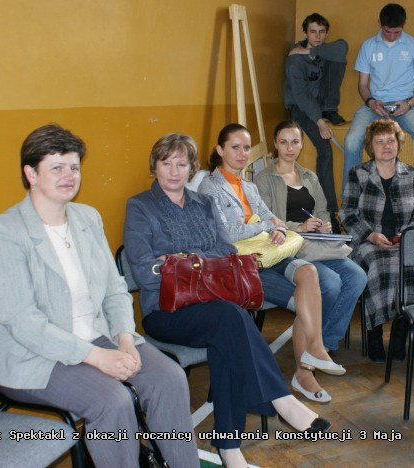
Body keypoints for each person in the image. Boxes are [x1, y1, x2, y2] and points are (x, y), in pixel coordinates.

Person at [0, 124, 199, 468]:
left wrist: (125, 338)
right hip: (33, 356)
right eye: (57, 167)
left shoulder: (87, 218)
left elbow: (114, 289)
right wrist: (97, 357)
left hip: (97, 337)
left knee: (169, 378)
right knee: (113, 401)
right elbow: (23, 322)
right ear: (31, 174)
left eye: (74, 167)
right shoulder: (3, 232)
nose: (69, 176)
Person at [123, 133, 331, 467]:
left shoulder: (203, 204)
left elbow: (227, 251)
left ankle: (229, 448)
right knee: (231, 317)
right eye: (166, 163)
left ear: (192, 168)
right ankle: (281, 399)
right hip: (165, 311)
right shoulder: (140, 207)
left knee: (227, 333)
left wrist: (181, 260)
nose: (174, 171)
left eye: (181, 164)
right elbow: (146, 274)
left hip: (213, 304)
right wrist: (202, 260)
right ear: (155, 166)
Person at [198, 124, 345, 405]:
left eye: (246, 148)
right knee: (306, 298)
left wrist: (275, 228)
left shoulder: (249, 186)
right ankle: (305, 373)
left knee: (309, 273)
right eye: (235, 147)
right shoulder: (210, 187)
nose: (242, 154)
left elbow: (273, 220)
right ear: (220, 150)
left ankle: (314, 350)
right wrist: (267, 226)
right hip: (240, 265)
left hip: (268, 255)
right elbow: (227, 234)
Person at [255, 120, 367, 352]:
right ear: (275, 144)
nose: (289, 148)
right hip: (288, 247)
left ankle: (324, 342)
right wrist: (300, 227)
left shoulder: (310, 176)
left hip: (316, 244)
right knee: (330, 283)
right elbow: (265, 221)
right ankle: (314, 344)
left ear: (302, 144)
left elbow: (323, 210)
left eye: (295, 142)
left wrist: (324, 225)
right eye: (283, 142)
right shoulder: (264, 178)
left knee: (357, 277)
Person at [339, 119, 414, 362]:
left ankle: (400, 334)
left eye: (391, 140)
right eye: (379, 141)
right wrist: (370, 234)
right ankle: (375, 333)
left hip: (404, 242)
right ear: (371, 146)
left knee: (412, 268)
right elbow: (347, 213)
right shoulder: (358, 174)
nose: (386, 146)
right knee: (378, 265)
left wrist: (405, 235)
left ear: (398, 143)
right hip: (368, 242)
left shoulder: (413, 174)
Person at [342, 3, 414, 198]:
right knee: (351, 140)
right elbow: (362, 85)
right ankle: (350, 196)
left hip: (406, 104)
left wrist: (409, 104)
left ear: (403, 26)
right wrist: (370, 102)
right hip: (375, 104)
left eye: (397, 32)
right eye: (387, 32)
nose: (392, 36)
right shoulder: (368, 46)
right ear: (379, 23)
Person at [285, 13, 349, 224]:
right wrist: (320, 122)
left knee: (336, 57)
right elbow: (301, 96)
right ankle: (329, 212)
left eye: (322, 32)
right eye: (313, 32)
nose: (318, 36)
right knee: (325, 150)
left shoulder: (324, 50)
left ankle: (330, 108)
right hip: (302, 109)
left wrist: (311, 50)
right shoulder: (295, 60)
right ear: (305, 33)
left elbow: (343, 46)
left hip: (322, 105)